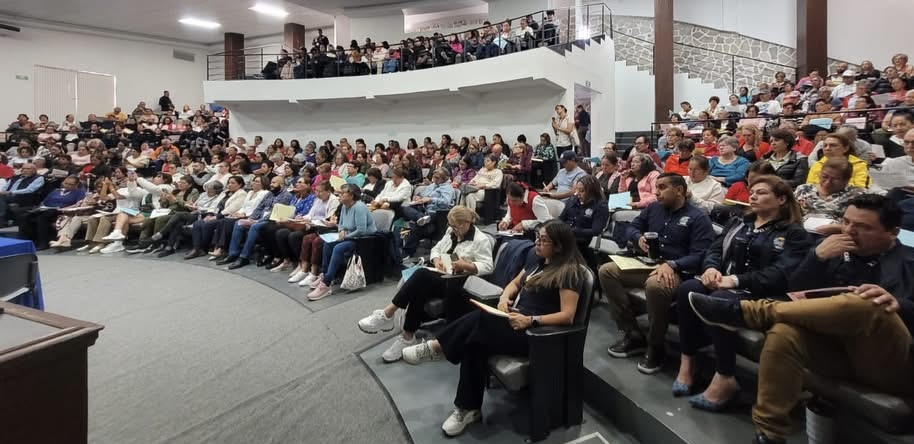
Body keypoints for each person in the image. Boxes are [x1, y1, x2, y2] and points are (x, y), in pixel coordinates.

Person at [687, 194, 914, 444]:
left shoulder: (909, 262)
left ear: (893, 232)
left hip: (888, 362)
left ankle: (752, 313)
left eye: (863, 227)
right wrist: (816, 258)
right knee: (785, 332)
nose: (849, 231)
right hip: (837, 352)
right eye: (846, 222)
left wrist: (900, 304)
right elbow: (796, 292)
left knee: (867, 301)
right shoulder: (835, 251)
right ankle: (769, 434)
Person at [397, 221, 587, 437]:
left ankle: (436, 347)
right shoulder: (537, 260)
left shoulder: (569, 272)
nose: (537, 243)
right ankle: (468, 409)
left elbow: (568, 316)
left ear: (559, 246)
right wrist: (505, 298)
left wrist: (531, 320)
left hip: (538, 335)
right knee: (473, 342)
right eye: (537, 237)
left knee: (481, 320)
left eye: (543, 241)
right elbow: (514, 284)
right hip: (515, 321)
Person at [673, 175, 811, 411]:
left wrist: (734, 280)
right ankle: (688, 362)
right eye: (752, 192)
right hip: (726, 282)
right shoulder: (740, 221)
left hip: (762, 293)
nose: (753, 196)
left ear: (781, 199)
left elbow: (780, 274)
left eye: (761, 193)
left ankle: (725, 377)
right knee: (688, 289)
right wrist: (711, 269)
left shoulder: (794, 233)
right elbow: (715, 249)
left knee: (719, 300)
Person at [597, 173, 715, 374]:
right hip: (649, 263)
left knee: (655, 286)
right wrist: (637, 237)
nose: (656, 192)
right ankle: (633, 333)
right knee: (606, 271)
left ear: (679, 190)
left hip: (678, 270)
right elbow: (632, 227)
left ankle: (656, 345)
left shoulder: (698, 217)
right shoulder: (653, 209)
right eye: (656, 187)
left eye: (662, 187)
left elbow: (701, 255)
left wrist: (673, 264)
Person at [357, 206, 494, 363]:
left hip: (460, 281)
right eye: (450, 225)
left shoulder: (480, 240)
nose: (453, 229)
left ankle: (388, 314)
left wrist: (466, 265)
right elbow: (436, 248)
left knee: (421, 275)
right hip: (444, 275)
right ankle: (408, 336)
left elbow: (488, 266)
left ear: (467, 223)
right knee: (419, 289)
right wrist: (436, 260)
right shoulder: (451, 232)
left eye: (456, 226)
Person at [307, 184, 378, 300]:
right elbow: (341, 224)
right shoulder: (345, 206)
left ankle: (326, 284)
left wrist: (345, 236)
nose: (339, 195)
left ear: (351, 195)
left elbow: (361, 230)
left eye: (342, 193)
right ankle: (325, 274)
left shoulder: (359, 207)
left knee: (338, 248)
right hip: (350, 236)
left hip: (363, 239)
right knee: (327, 243)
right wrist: (341, 231)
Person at [217, 175, 293, 270]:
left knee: (255, 226)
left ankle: (244, 257)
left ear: (281, 184)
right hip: (259, 218)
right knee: (239, 223)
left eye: (274, 183)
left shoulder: (286, 195)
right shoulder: (269, 193)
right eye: (271, 182)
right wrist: (251, 218)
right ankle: (233, 254)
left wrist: (257, 221)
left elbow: (275, 212)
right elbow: (260, 207)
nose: (271, 184)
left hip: (271, 220)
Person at [288, 181, 342, 285]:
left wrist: (311, 221)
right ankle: (304, 269)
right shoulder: (317, 200)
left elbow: (328, 219)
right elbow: (310, 214)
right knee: (306, 238)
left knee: (316, 241)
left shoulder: (334, 201)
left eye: (320, 191)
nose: (317, 194)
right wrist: (303, 218)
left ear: (328, 191)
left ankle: (314, 272)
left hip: (325, 229)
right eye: (316, 191)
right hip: (315, 226)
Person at [16, 176, 85, 250]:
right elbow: (44, 202)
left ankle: (43, 243)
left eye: (70, 184)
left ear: (76, 185)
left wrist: (61, 208)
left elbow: (78, 205)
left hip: (62, 212)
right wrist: (42, 207)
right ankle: (23, 242)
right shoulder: (56, 191)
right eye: (66, 183)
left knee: (42, 217)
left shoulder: (79, 192)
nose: (67, 185)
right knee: (24, 216)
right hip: (47, 209)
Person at [401, 169, 456, 258]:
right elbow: (423, 195)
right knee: (404, 209)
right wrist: (418, 198)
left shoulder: (448, 188)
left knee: (417, 228)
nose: (434, 180)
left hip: (437, 214)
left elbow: (446, 202)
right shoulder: (432, 185)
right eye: (434, 177)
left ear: (444, 178)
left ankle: (407, 252)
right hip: (424, 210)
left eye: (437, 178)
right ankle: (421, 218)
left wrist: (431, 199)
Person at [560, 174, 609, 269]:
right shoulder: (573, 200)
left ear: (592, 191)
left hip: (584, 240)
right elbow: (561, 219)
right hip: (566, 235)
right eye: (577, 190)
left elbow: (596, 231)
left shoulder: (600, 206)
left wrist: (574, 231)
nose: (578, 193)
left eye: (581, 191)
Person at [794, 157, 865, 222]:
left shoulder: (856, 195)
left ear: (846, 180)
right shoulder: (803, 190)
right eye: (824, 176)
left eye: (835, 179)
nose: (828, 182)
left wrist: (839, 227)